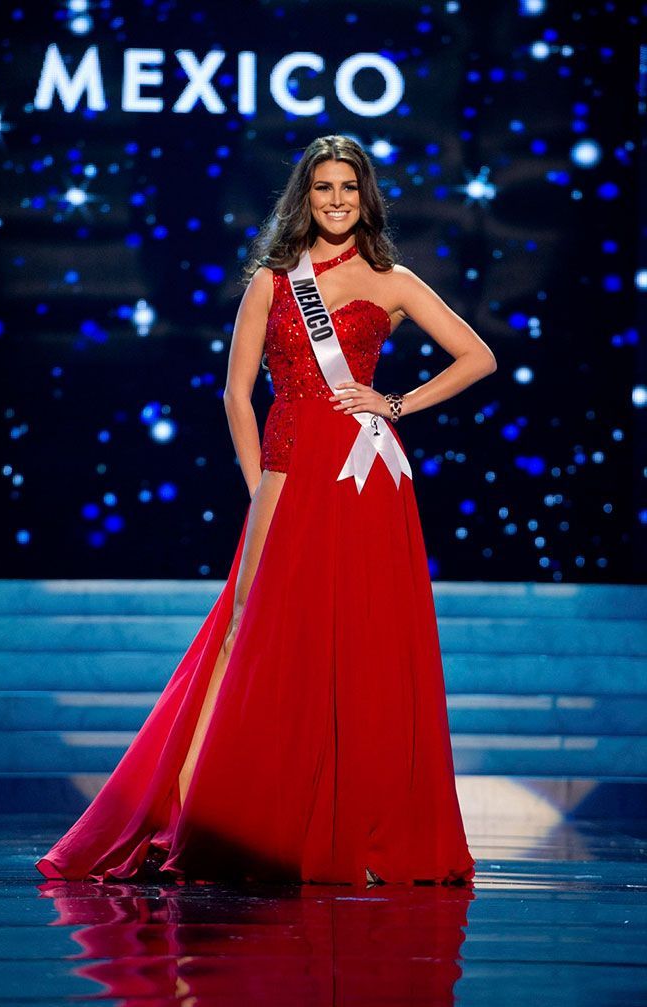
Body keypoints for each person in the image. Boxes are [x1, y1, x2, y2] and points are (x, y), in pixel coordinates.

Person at [35, 134, 496, 888]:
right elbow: (236, 390)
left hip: (362, 478)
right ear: (304, 198)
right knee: (244, 625)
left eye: (350, 186)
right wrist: (257, 485)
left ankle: (352, 816)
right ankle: (187, 806)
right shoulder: (276, 282)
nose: (338, 200)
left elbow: (478, 355)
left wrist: (397, 402)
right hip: (286, 472)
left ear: (366, 196)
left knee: (360, 638)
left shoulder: (394, 280)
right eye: (324, 188)